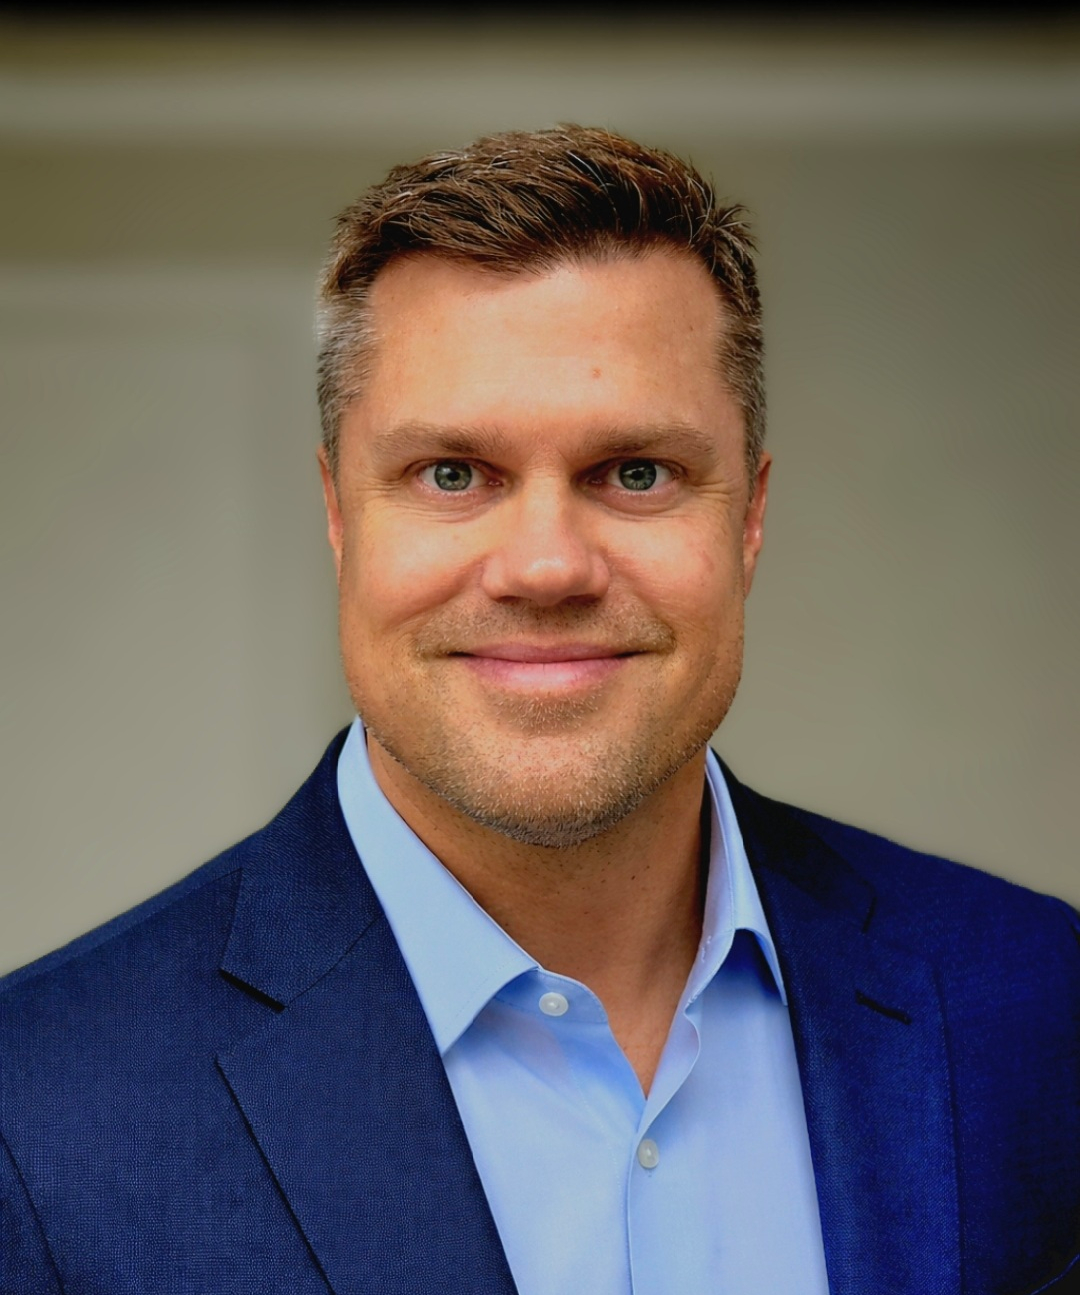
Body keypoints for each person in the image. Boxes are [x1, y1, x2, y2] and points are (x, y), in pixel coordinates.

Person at [1, 125, 1076, 1295]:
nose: (547, 567)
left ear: (750, 517)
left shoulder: (1036, 1000)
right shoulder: (40, 1107)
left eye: (637, 472)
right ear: (338, 515)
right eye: (452, 474)